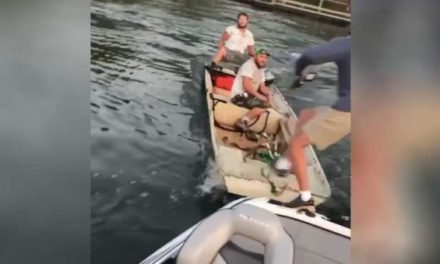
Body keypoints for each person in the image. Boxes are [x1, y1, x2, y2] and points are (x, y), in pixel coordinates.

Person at [275, 36, 351, 209]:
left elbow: (310, 56)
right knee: (306, 115)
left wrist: (299, 71)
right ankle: (287, 162)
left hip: (347, 111)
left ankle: (304, 197)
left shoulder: (349, 43)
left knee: (296, 144)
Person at [230, 48, 272, 132]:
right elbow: (247, 85)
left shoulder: (261, 69)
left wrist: (269, 95)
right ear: (255, 56)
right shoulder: (248, 65)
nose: (263, 59)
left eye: (265, 58)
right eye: (261, 57)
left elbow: (262, 86)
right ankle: (243, 121)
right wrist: (259, 96)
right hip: (239, 96)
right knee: (264, 104)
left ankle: (246, 119)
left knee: (267, 100)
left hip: (250, 95)